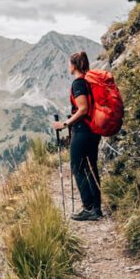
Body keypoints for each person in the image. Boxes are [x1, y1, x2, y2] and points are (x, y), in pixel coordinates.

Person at [51, 51, 102, 221]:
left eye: (69, 63)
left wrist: (65, 124)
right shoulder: (89, 82)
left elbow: (83, 109)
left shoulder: (79, 83)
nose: (68, 66)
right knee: (90, 168)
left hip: (83, 131)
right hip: (93, 131)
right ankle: (96, 208)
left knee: (78, 167)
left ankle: (89, 208)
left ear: (74, 65)